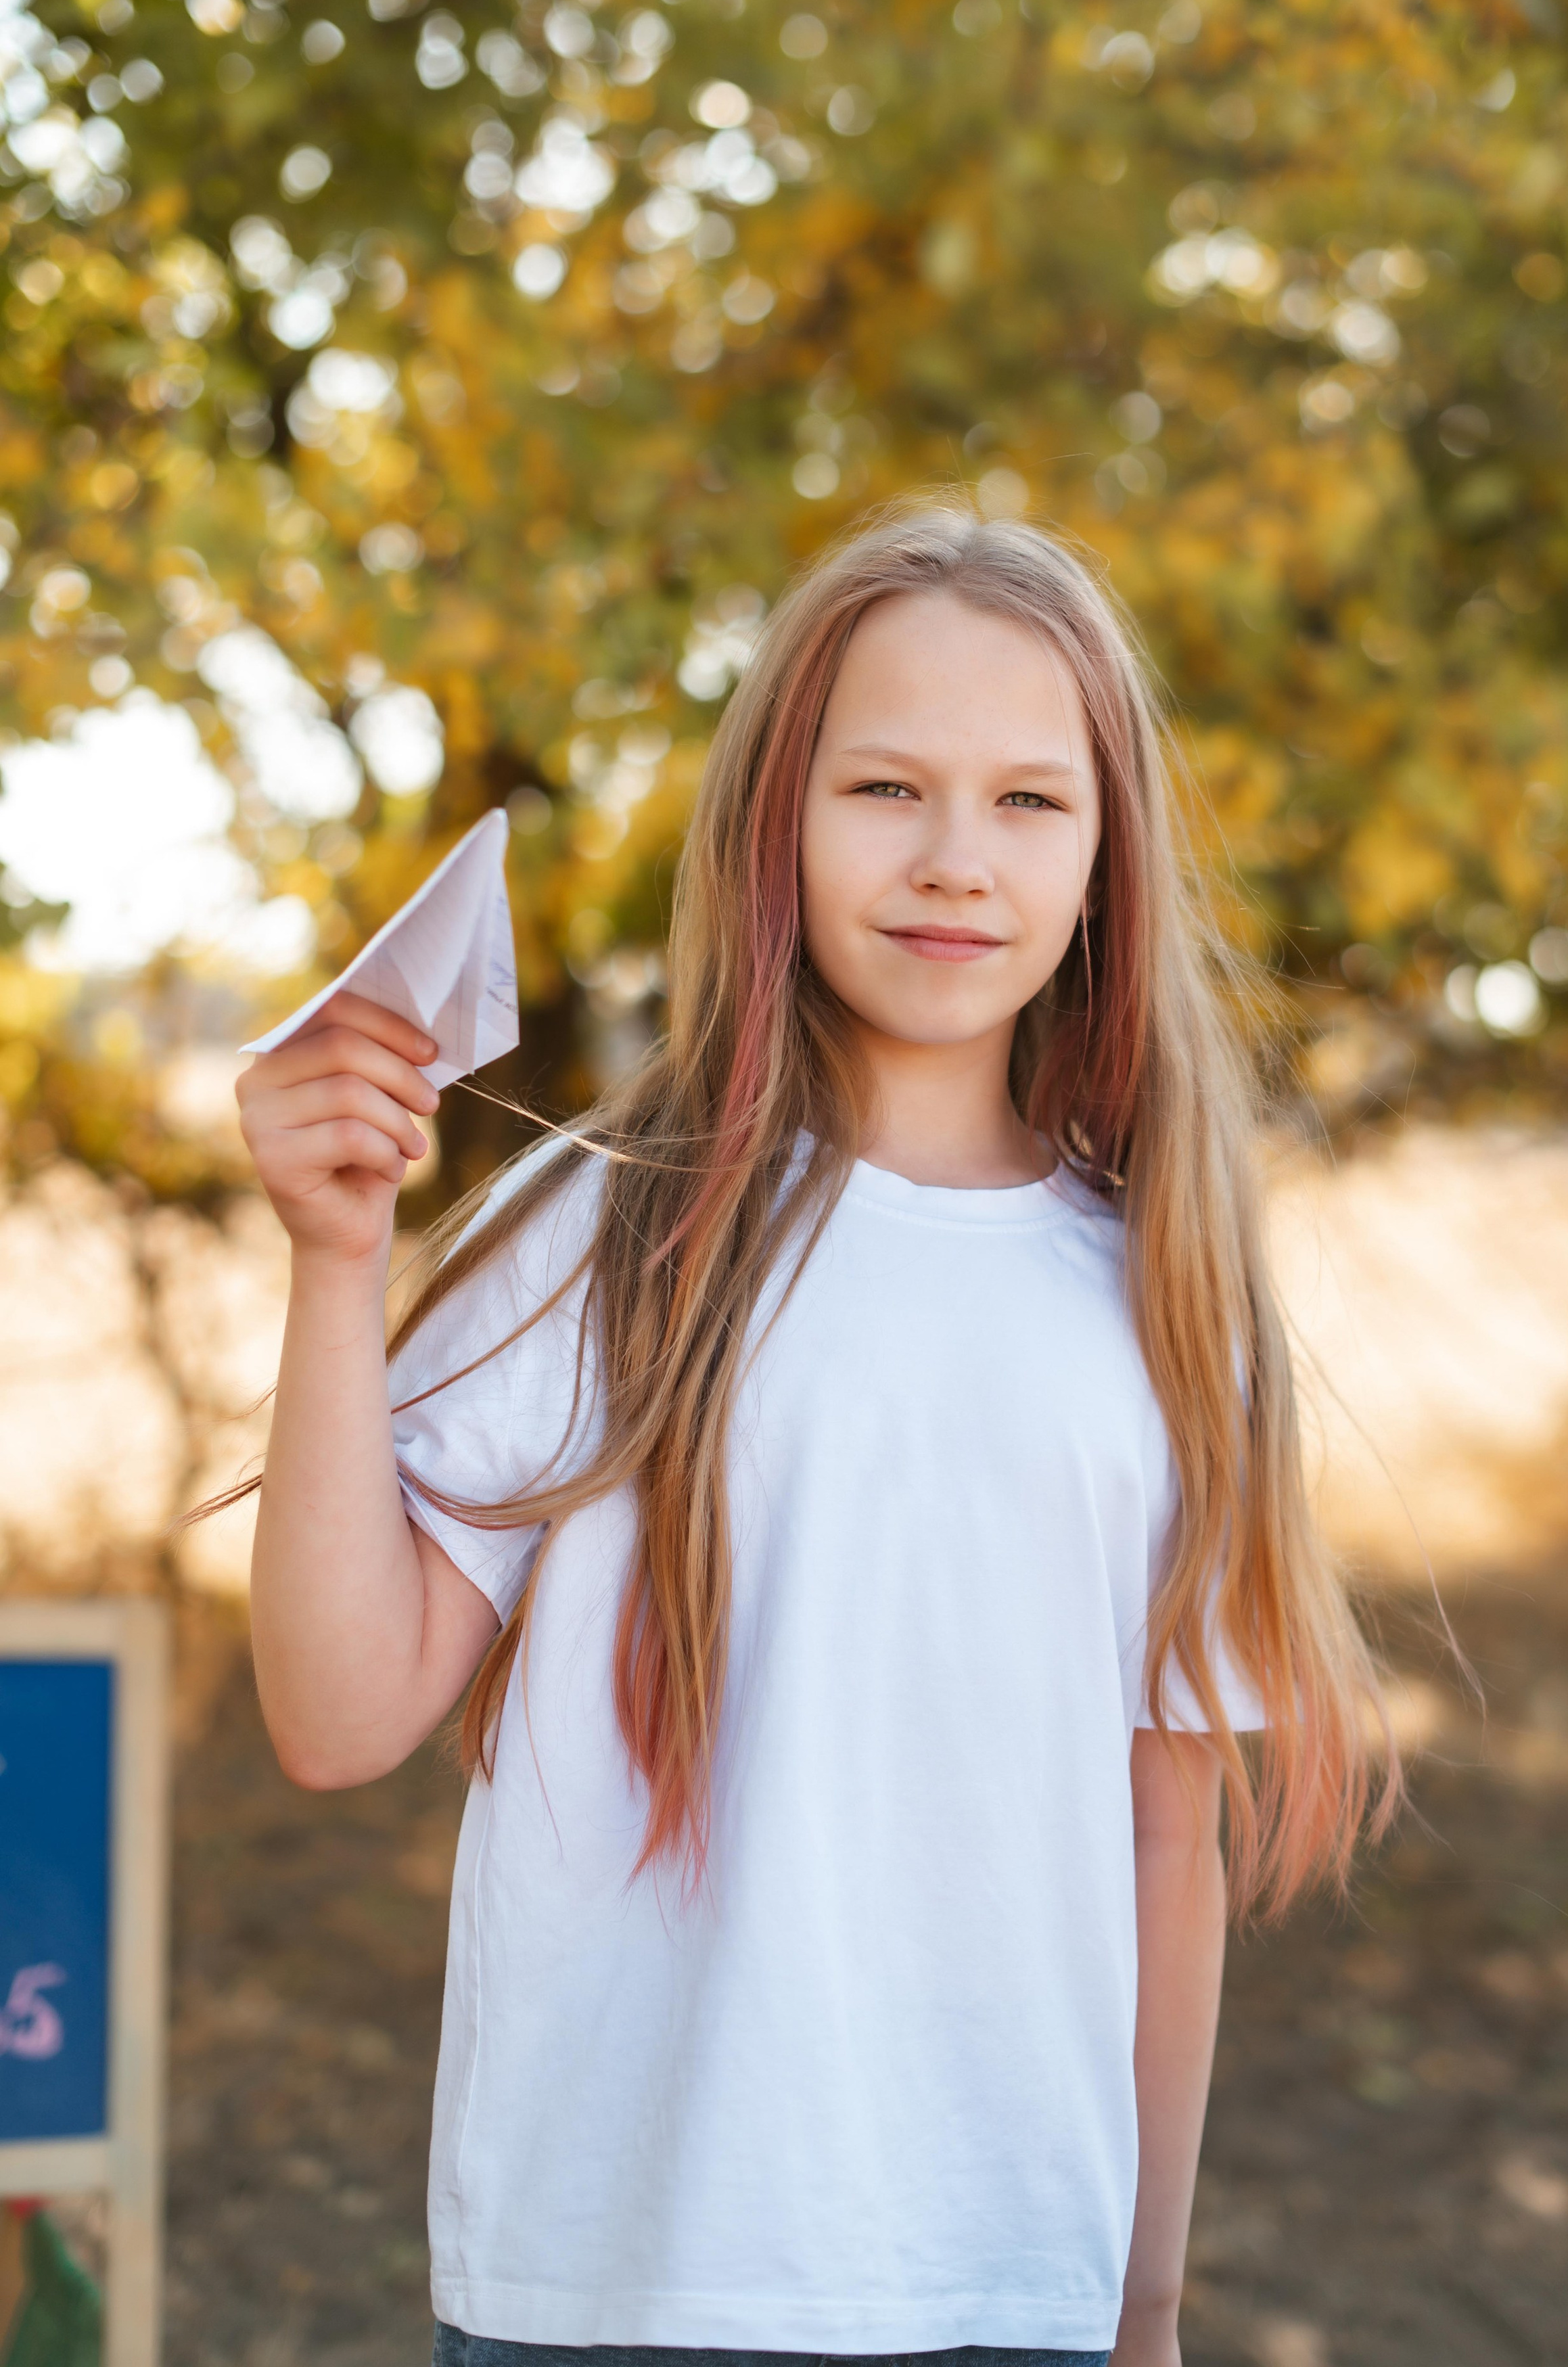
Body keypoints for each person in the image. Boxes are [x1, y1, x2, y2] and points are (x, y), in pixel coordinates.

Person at [234, 501, 1395, 2367]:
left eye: (1030, 801)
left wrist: (1146, 2308)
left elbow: (1163, 1851)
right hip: (610, 2292)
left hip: (1007, 2291)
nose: (955, 859)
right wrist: (334, 1261)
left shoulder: (1167, 1301)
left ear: (1107, 855)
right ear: (776, 814)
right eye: (885, 788)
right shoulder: (598, 1232)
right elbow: (335, 1713)